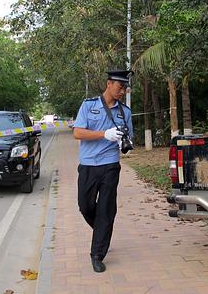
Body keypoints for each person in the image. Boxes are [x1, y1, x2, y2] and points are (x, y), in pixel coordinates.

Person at [73, 69, 134, 273]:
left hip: (110, 165)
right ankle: (102, 230)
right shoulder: (89, 105)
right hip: (89, 164)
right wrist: (104, 134)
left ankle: (97, 254)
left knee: (106, 208)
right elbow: (78, 133)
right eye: (119, 87)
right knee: (85, 205)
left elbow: (129, 141)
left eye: (125, 88)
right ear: (109, 84)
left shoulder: (124, 112)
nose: (122, 91)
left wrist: (123, 143)